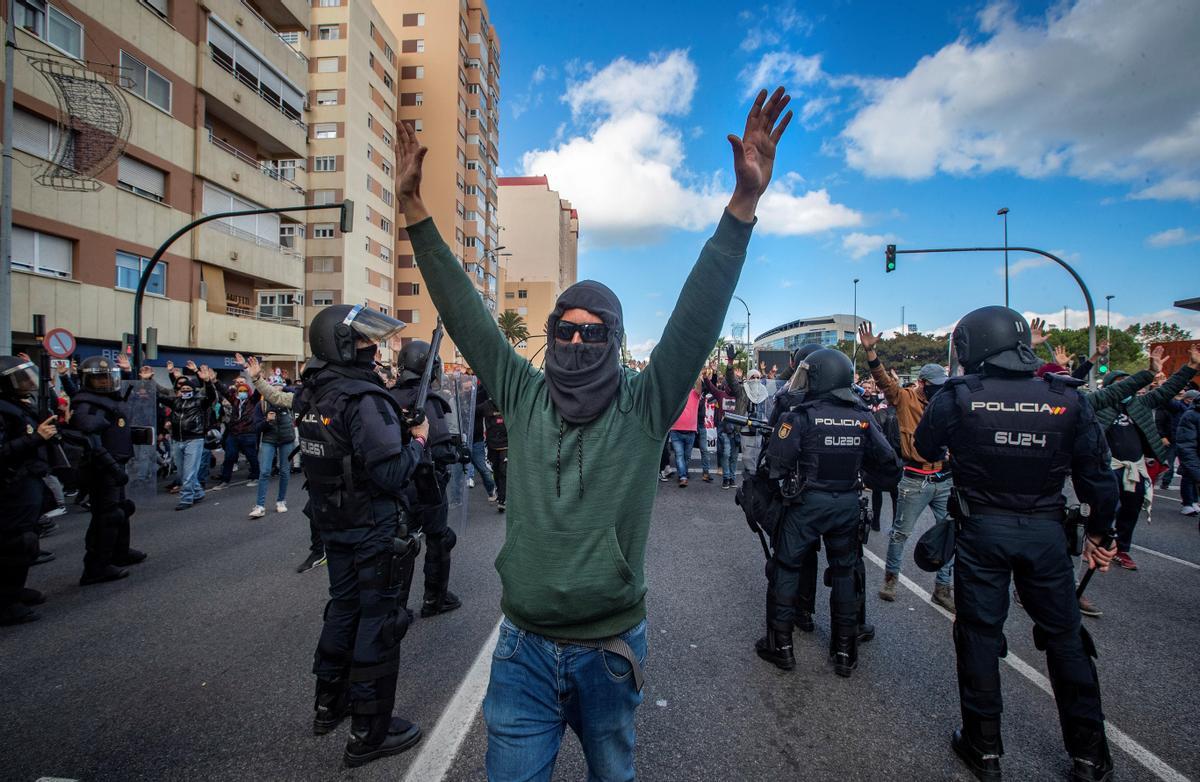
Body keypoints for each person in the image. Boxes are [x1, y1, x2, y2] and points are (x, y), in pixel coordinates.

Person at [398, 85, 793, 780]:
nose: (577, 341)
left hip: (609, 650)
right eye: (566, 331)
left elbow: (694, 319)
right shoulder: (522, 392)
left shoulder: (644, 405)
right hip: (522, 651)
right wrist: (415, 212)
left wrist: (742, 208)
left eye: (594, 333)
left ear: (614, 341)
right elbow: (465, 312)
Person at [913, 305, 1119, 782]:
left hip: (982, 530)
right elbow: (1098, 478)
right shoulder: (1067, 397)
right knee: (1066, 640)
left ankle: (984, 748)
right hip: (1046, 532)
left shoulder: (960, 395)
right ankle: (1089, 755)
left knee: (979, 637)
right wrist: (1102, 535)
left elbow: (924, 449)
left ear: (973, 346)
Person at [294, 304, 428, 767]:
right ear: (345, 345)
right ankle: (369, 732)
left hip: (335, 522)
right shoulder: (364, 398)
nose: (375, 350)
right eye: (367, 342)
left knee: (344, 609)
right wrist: (420, 441)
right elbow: (391, 470)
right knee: (380, 620)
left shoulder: (314, 392)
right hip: (373, 525)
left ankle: (329, 704)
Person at [756, 349, 899, 675]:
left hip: (807, 503)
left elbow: (774, 463)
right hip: (847, 503)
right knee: (846, 573)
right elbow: (889, 464)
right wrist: (859, 478)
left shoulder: (800, 416)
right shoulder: (862, 416)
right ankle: (845, 651)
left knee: (786, 569)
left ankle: (782, 647)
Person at [858, 321, 956, 612]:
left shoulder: (945, 401)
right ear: (922, 383)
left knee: (949, 532)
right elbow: (885, 383)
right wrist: (871, 353)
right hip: (915, 477)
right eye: (934, 387)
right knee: (900, 533)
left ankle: (942, 587)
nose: (939, 392)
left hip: (943, 476)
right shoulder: (905, 399)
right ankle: (890, 579)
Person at [1092, 345, 1199, 570]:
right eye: (1121, 383)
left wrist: (1190, 367)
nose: (1128, 387)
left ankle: (1122, 549)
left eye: (1129, 382)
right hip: (1107, 465)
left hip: (1134, 466)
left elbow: (1167, 390)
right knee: (1104, 508)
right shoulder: (1100, 406)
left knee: (1131, 508)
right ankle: (1097, 544)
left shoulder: (1140, 404)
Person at [390, 339, 468, 618]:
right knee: (439, 540)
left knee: (401, 543)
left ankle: (396, 607)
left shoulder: (387, 397)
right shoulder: (430, 402)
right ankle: (435, 599)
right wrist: (460, 452)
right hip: (427, 484)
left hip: (397, 484)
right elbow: (442, 449)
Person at [240, 354, 327, 573]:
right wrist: (258, 380)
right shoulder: (302, 398)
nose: (307, 378)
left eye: (311, 373)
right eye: (305, 374)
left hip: (342, 469)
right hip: (317, 471)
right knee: (314, 511)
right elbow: (276, 397)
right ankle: (320, 551)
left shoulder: (340, 396)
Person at [70, 356, 147, 585]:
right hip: (103, 469)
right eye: (99, 379)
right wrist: (112, 469)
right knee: (107, 516)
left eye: (108, 378)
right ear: (87, 381)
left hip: (115, 464)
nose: (105, 383)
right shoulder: (88, 404)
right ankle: (96, 567)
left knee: (122, 509)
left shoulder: (108, 400)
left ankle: (119, 553)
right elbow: (91, 443)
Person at [0, 356, 57, 625]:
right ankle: (6, 603)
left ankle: (15, 590)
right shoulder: (3, 409)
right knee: (14, 543)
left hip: (28, 481)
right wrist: (35, 438)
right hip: (11, 485)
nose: (27, 383)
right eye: (20, 379)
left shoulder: (20, 406)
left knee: (27, 539)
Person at [168, 369, 216, 512]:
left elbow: (212, 396)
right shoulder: (175, 402)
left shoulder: (200, 402)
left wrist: (207, 382)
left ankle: (186, 498)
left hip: (194, 439)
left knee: (189, 472)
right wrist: (146, 381)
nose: (185, 391)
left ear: (194, 390)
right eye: (183, 389)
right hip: (177, 440)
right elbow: (158, 395)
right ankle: (199, 492)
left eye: (188, 389)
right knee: (182, 472)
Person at [249, 374, 294, 518]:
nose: (275, 390)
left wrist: (284, 387)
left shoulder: (288, 400)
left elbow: (296, 391)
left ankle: (281, 501)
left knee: (285, 471)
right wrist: (266, 421)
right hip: (269, 439)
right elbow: (255, 427)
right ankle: (260, 505)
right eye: (272, 387)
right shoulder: (261, 405)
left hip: (287, 439)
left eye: (278, 386)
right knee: (265, 471)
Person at [217, 377, 261, 487]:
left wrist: (259, 378)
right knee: (229, 456)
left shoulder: (253, 400)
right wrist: (215, 381)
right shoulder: (234, 401)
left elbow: (259, 390)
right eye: (240, 391)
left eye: (244, 391)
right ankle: (225, 480)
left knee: (251, 456)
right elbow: (224, 391)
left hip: (248, 433)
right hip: (234, 433)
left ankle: (256, 476)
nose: (242, 393)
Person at [479, 388, 509, 512]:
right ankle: (499, 491)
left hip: (506, 445)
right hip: (492, 445)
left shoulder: (507, 404)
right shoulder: (486, 405)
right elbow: (471, 413)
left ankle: (502, 499)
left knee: (503, 471)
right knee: (496, 471)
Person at [668, 380, 701, 488]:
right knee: (679, 456)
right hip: (675, 431)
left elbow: (699, 386)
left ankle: (683, 472)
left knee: (686, 457)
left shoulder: (695, 394)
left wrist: (697, 373)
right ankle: (683, 476)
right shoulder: (675, 394)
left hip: (690, 431)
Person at [1175, 390, 1200, 518]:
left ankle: (1194, 501)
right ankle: (1188, 503)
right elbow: (1186, 443)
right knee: (1190, 476)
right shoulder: (1191, 415)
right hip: (1192, 454)